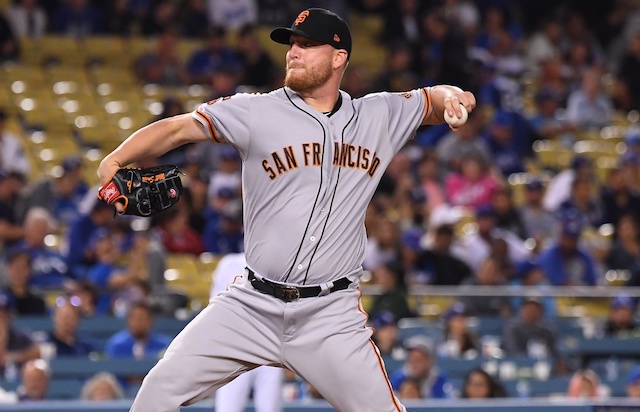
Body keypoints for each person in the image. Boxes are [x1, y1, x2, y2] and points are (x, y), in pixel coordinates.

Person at [97, 7, 476, 411]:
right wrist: (113, 162)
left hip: (330, 316)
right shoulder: (256, 111)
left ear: (338, 57)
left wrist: (456, 97)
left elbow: (437, 98)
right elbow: (179, 127)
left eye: (307, 44)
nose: (293, 51)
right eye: (291, 43)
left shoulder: (378, 114)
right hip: (251, 305)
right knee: (156, 395)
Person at [210, 253, 283, 412]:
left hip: (269, 346)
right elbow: (214, 307)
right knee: (227, 408)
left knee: (270, 407)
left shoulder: (280, 264)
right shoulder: (229, 264)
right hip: (235, 347)